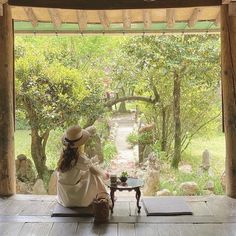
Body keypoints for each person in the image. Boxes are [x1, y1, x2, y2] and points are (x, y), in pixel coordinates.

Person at [56, 125, 109, 207]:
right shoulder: (79, 158)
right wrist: (104, 174)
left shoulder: (64, 155)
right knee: (92, 174)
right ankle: (103, 195)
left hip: (64, 196)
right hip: (74, 199)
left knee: (86, 172)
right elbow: (93, 170)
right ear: (80, 144)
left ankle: (102, 195)